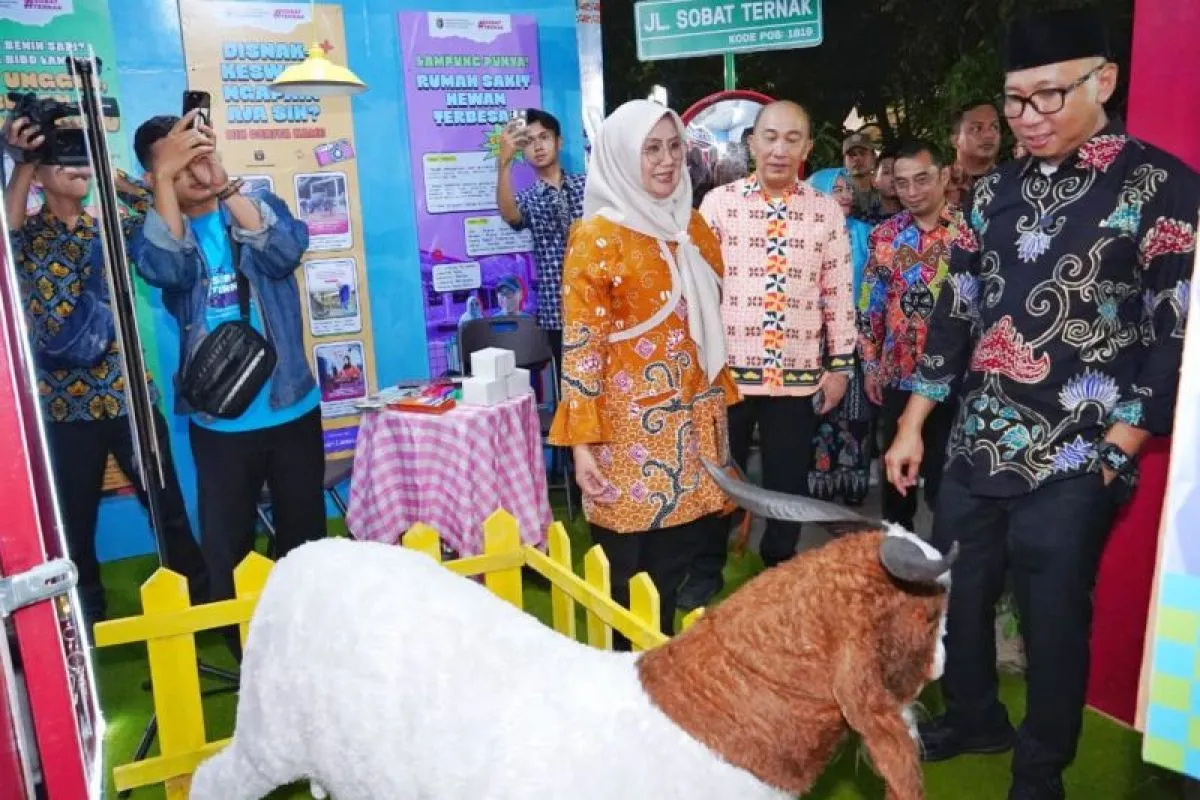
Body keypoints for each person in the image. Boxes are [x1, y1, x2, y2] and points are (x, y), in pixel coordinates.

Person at [884, 10, 1199, 799]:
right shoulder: (992, 190)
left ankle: (1040, 768)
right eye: (1016, 100)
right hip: (977, 441)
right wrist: (915, 422)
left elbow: (1176, 330)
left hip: (1078, 451)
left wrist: (1120, 448)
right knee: (954, 592)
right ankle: (976, 718)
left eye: (1049, 96)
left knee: (1053, 617)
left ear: (1104, 81)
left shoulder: (1162, 186)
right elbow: (955, 310)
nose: (1028, 117)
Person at [129, 112, 327, 652]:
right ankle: (245, 651)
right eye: (177, 166)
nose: (194, 171)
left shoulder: (257, 206)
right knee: (229, 545)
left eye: (199, 156)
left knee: (305, 538)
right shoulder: (156, 236)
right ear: (154, 177)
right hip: (220, 423)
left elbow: (284, 252)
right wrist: (166, 180)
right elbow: (167, 270)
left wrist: (224, 184)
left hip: (289, 405)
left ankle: (306, 644)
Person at [2, 113, 209, 629]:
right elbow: (5, 234)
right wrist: (23, 161)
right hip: (63, 410)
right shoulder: (28, 235)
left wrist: (108, 167)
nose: (74, 167)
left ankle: (203, 608)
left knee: (169, 512)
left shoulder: (114, 226)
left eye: (79, 158)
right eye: (62, 158)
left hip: (129, 400)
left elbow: (163, 236)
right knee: (73, 527)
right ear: (40, 174)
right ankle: (84, 623)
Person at [547, 99, 736, 650]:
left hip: (692, 431)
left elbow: (709, 325)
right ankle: (622, 684)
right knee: (627, 578)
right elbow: (582, 346)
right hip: (626, 440)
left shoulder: (692, 226)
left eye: (674, 146)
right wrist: (582, 447)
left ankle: (663, 678)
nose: (666, 160)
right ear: (620, 156)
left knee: (676, 569)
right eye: (650, 148)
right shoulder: (597, 237)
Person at [683, 101, 857, 609]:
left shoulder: (825, 211)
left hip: (799, 377)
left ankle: (780, 567)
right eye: (771, 137)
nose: (780, 149)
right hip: (727, 375)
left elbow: (838, 294)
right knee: (719, 475)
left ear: (807, 148)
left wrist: (840, 367)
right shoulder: (718, 205)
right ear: (752, 143)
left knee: (788, 482)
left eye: (792, 139)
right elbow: (697, 289)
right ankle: (705, 570)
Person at [860, 140, 965, 532]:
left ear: (943, 175)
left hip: (956, 378)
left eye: (922, 179)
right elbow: (870, 303)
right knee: (896, 480)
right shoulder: (884, 236)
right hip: (898, 373)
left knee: (949, 480)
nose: (912, 191)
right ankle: (898, 548)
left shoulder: (970, 233)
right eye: (902, 182)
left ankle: (948, 555)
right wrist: (870, 363)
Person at [496, 109, 586, 372]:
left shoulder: (588, 185)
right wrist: (503, 163)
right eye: (529, 141)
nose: (538, 146)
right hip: (557, 312)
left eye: (544, 137)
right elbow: (510, 215)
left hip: (597, 304)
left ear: (559, 142)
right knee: (568, 384)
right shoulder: (528, 198)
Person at [805, 167, 874, 506]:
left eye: (848, 188)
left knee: (855, 410)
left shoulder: (867, 234)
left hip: (857, 333)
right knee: (819, 410)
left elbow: (873, 285)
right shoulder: (803, 234)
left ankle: (851, 482)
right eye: (837, 189)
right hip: (813, 335)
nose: (847, 194)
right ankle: (820, 484)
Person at [947, 101, 1002, 208]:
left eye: (994, 127)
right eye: (977, 128)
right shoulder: (939, 185)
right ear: (955, 140)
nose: (989, 135)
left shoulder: (1012, 182)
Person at [843, 132, 884, 222]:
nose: (857, 158)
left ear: (874, 157)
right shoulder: (838, 192)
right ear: (844, 161)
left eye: (862, 153)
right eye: (851, 154)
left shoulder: (883, 190)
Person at [874, 146, 903, 219]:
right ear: (874, 179)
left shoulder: (917, 215)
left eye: (897, 171)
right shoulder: (863, 220)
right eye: (886, 172)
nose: (893, 178)